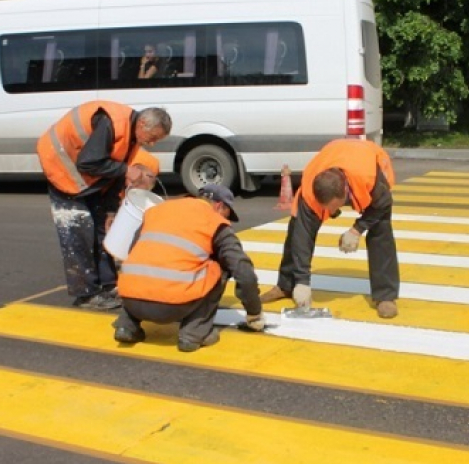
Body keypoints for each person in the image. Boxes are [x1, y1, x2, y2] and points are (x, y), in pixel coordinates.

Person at [37, 102, 172, 310]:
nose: (152, 144)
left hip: (87, 176)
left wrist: (110, 211)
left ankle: (108, 285)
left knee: (104, 229)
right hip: (62, 165)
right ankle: (86, 294)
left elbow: (114, 173)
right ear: (143, 123)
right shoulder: (111, 123)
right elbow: (88, 162)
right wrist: (125, 170)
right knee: (78, 231)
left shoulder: (131, 136)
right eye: (152, 138)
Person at [113, 184, 265, 352]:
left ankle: (126, 326)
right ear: (219, 206)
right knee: (221, 266)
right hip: (172, 307)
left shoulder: (157, 210)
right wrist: (254, 313)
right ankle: (193, 334)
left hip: (129, 298)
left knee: (144, 262)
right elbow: (243, 271)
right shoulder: (214, 220)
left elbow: (132, 251)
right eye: (227, 214)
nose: (227, 221)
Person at [260, 139, 400, 319]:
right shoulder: (310, 188)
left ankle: (385, 296)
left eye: (333, 207)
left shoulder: (370, 178)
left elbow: (384, 204)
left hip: (368, 161)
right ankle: (287, 284)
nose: (330, 213)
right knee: (296, 227)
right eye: (325, 208)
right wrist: (303, 282)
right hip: (335, 157)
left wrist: (356, 229)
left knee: (381, 228)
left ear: (344, 194)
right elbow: (303, 236)